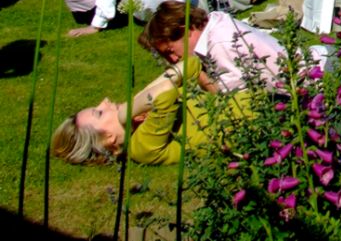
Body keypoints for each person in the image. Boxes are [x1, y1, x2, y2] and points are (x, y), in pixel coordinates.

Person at [52, 56, 251, 166]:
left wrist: (220, 97)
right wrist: (126, 111)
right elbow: (166, 92)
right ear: (108, 139)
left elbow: (190, 65)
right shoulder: (142, 148)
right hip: (255, 125)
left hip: (256, 103)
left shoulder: (145, 113)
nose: (105, 101)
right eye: (100, 112)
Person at [141, 1, 284, 92]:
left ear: (186, 30)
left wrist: (197, 74)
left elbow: (232, 100)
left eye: (170, 52)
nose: (172, 59)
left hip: (288, 95)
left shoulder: (219, 45)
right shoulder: (214, 23)